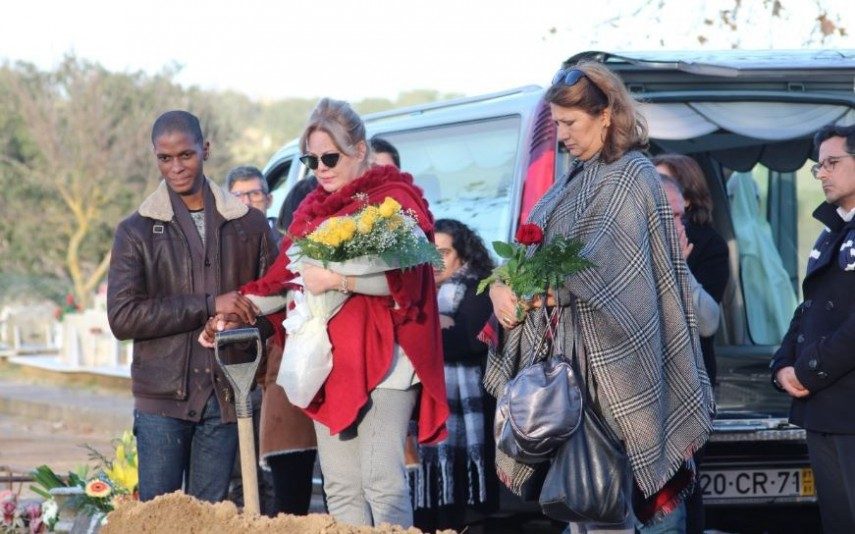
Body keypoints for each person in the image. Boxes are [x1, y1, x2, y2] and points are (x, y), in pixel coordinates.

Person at [484, 63, 714, 532]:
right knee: (580, 503)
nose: (562, 134)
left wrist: (543, 294)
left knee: (606, 503)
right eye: (558, 123)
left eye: (570, 123)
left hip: (615, 372)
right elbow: (531, 257)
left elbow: (617, 278)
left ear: (605, 114)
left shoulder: (633, 176)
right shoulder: (574, 179)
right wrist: (504, 288)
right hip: (569, 369)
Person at [219, 98, 449, 528]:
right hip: (329, 362)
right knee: (340, 486)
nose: (321, 168)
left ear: (359, 150)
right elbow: (281, 282)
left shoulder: (395, 201)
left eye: (330, 157)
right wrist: (235, 311)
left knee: (382, 480)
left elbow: (411, 282)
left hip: (390, 361)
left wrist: (340, 280)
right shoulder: (310, 212)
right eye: (312, 159)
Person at [106, 110, 276, 502]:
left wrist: (240, 323)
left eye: (186, 155)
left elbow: (276, 307)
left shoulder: (250, 226)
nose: (176, 167)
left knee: (210, 519)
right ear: (155, 157)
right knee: (159, 520)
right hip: (161, 401)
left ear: (206, 150)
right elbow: (122, 317)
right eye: (165, 158)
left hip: (226, 394)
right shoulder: (136, 230)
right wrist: (207, 305)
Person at [770, 124, 855, 534]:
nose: (821, 173)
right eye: (818, 166)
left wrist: (809, 370)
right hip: (824, 409)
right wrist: (782, 364)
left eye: (832, 163)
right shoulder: (832, 231)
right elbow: (809, 307)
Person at [654, 155, 729, 534]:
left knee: (683, 489)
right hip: (636, 391)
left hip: (687, 388)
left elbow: (707, 322)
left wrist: (677, 268)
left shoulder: (705, 246)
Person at [413, 218, 498, 532]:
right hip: (426, 410)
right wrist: (438, 326)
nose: (435, 262)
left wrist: (426, 331)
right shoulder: (418, 292)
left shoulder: (477, 285)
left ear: (462, 255)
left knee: (458, 508)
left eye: (444, 253)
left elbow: (468, 342)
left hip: (467, 413)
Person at [226, 165, 283, 247]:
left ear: (269, 200)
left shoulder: (290, 236)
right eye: (238, 195)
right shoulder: (221, 244)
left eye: (254, 194)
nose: (247, 202)